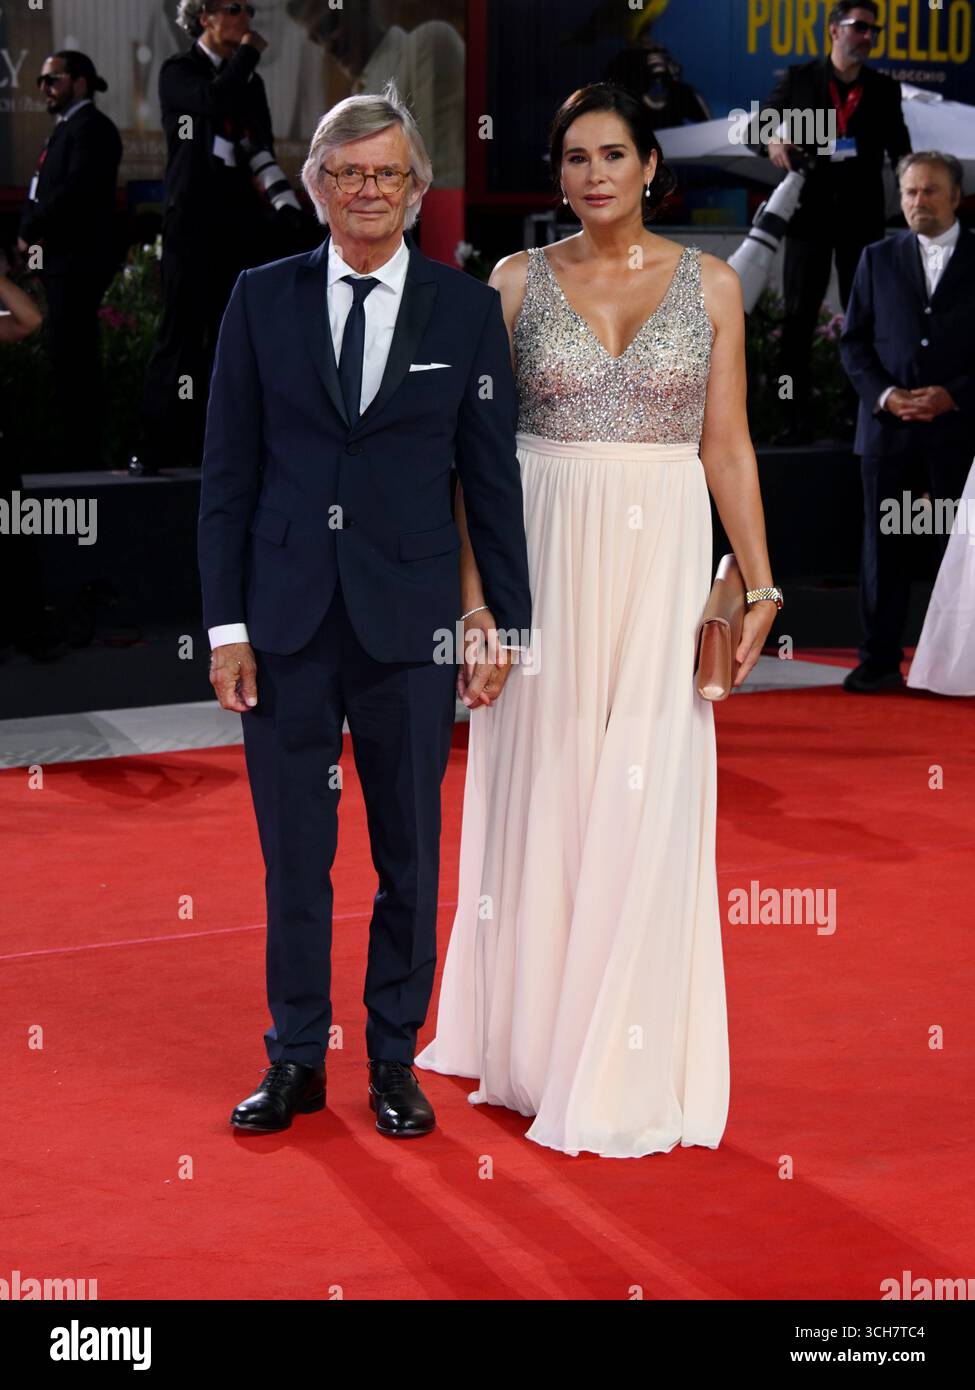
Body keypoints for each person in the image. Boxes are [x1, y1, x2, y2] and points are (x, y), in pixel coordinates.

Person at [414, 83, 782, 1159]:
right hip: (542, 549)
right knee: (549, 782)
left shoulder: (712, 286)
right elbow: (478, 463)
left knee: (648, 786)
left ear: (651, 167)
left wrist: (759, 586)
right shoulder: (513, 281)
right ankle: (535, 1043)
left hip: (662, 554)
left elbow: (728, 448)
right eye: (574, 158)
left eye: (612, 154)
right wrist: (477, 604)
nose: (593, 175)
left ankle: (621, 1055)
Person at [199, 83, 531, 1137]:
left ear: (417, 187)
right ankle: (295, 1056)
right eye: (346, 173)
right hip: (286, 624)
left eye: (386, 172)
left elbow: (490, 481)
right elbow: (226, 479)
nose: (366, 190)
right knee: (295, 854)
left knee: (408, 852)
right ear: (316, 188)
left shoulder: (467, 311)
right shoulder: (258, 298)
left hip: (413, 625)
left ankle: (395, 1056)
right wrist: (226, 627)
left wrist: (505, 621)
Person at [130, 1, 299, 476]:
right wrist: (246, 57)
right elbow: (214, 100)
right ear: (204, 17)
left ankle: (220, 447)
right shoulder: (178, 71)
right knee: (179, 334)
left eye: (249, 9)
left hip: (238, 225)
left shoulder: (252, 80)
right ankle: (154, 444)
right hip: (191, 224)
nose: (247, 19)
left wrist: (287, 206)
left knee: (234, 338)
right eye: (234, 9)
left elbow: (259, 146)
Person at [840, 152, 975, 693]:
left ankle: (958, 664)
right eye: (910, 192)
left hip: (959, 433)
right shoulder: (876, 257)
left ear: (956, 197)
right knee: (883, 547)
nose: (918, 202)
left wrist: (955, 397)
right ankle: (878, 661)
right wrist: (888, 396)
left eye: (930, 192)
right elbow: (853, 344)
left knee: (961, 549)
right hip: (887, 433)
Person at [751, 1, 911, 442]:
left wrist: (917, 188)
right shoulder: (801, 79)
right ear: (834, 30)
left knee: (865, 320)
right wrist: (775, 138)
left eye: (873, 30)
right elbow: (757, 127)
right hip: (809, 219)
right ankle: (790, 418)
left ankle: (855, 417)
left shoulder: (883, 89)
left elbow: (902, 151)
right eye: (860, 27)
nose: (868, 36)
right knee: (799, 319)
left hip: (862, 221)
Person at [16, 51, 123, 473]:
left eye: (52, 79)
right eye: (41, 81)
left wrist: (32, 227)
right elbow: (45, 191)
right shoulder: (66, 129)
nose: (44, 88)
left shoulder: (92, 128)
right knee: (65, 358)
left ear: (79, 83)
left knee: (75, 358)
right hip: (60, 262)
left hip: (78, 264)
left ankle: (82, 458)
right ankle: (72, 454)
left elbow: (77, 191)